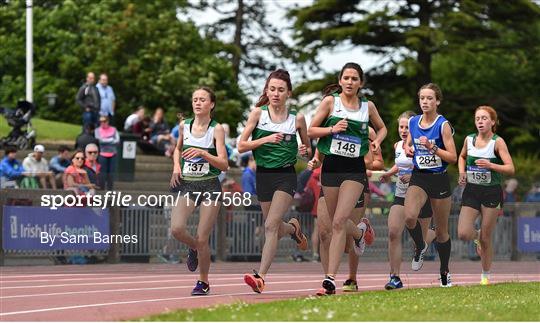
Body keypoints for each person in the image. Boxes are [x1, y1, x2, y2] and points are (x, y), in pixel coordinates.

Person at [307, 62, 386, 295]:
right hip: (331, 167)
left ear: (361, 83)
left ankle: (330, 279)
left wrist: (377, 141)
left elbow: (382, 128)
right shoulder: (330, 102)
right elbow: (312, 130)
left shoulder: (367, 106)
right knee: (330, 226)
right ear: (340, 80)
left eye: (354, 78)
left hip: (354, 170)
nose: (350, 82)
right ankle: (360, 233)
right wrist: (332, 130)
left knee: (340, 221)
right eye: (346, 78)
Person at [238, 69, 312, 293]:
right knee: (275, 226)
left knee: (270, 226)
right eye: (272, 89)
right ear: (266, 91)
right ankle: (292, 229)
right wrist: (266, 139)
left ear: (288, 93)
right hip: (263, 175)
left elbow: (308, 150)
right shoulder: (258, 114)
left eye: (281, 90)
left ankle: (260, 277)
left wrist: (303, 149)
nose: (276, 94)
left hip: (285, 176)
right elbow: (241, 146)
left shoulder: (296, 118)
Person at [169, 87, 229, 296]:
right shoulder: (184, 125)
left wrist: (204, 154)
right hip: (188, 184)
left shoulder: (217, 129)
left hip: (210, 185)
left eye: (202, 100)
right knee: (177, 228)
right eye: (195, 99)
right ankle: (194, 248)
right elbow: (177, 149)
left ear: (211, 104)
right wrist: (176, 166)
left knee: (203, 237)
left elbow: (224, 164)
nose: (197, 103)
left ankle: (203, 282)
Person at [308, 126, 381, 295]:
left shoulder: (366, 131)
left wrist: (357, 160)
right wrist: (314, 162)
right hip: (330, 180)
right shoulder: (326, 129)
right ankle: (328, 282)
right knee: (325, 233)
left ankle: (352, 274)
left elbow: (378, 162)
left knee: (348, 245)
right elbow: (318, 158)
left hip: (354, 179)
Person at [403, 83, 457, 287]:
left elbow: (452, 156)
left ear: (437, 101)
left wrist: (432, 147)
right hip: (419, 176)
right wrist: (409, 149)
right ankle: (420, 246)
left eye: (429, 98)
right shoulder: (413, 122)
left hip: (439, 178)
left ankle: (444, 271)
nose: (425, 102)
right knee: (409, 217)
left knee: (442, 231)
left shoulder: (442, 125)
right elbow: (409, 143)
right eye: (422, 98)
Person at [457, 106, 515, 285]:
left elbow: (511, 168)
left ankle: (485, 275)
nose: (480, 122)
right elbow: (462, 157)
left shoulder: (497, 142)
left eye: (484, 118)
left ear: (492, 122)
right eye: (477, 119)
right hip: (472, 190)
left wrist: (491, 166)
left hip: (491, 191)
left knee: (486, 238)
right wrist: (462, 173)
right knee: (463, 233)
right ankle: (477, 237)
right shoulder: (469, 139)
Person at [379, 111, 436, 290]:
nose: (404, 130)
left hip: (421, 196)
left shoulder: (421, 145)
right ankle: (394, 277)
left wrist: (412, 176)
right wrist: (389, 173)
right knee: (393, 232)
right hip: (401, 195)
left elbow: (429, 168)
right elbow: (400, 164)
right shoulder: (397, 145)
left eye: (407, 127)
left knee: (421, 239)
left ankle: (435, 234)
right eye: (401, 127)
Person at [95, 115, 119, 190]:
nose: (102, 123)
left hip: (113, 154)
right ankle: (102, 188)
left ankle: (110, 188)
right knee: (103, 172)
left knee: (111, 173)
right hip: (103, 154)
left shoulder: (114, 129)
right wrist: (111, 139)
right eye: (101, 121)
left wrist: (105, 140)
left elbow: (117, 141)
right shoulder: (97, 130)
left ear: (108, 121)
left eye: (104, 121)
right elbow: (99, 140)